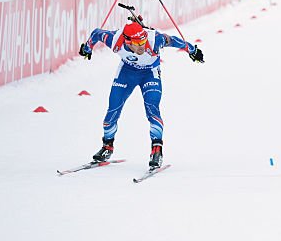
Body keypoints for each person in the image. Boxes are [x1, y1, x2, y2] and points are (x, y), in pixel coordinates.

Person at [79, 18, 204, 169]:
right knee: (112, 110)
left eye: (143, 41)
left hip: (149, 74)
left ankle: (157, 151)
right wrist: (87, 48)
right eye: (138, 44)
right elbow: (97, 33)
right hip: (127, 72)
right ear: (127, 42)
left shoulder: (154, 40)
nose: (142, 46)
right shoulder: (115, 39)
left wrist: (193, 50)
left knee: (152, 109)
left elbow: (175, 41)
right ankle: (107, 147)